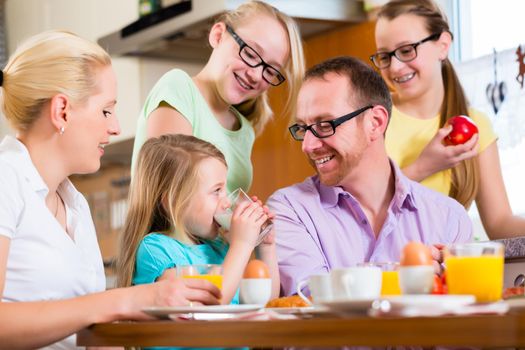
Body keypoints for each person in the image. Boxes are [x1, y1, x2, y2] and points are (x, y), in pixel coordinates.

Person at [0, 30, 221, 350]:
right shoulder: (6, 178)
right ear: (62, 110)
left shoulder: (73, 203)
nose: (116, 127)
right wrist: (126, 300)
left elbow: (88, 330)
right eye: (106, 110)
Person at [267, 56, 472, 296]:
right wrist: (409, 281)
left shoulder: (450, 219)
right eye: (303, 129)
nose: (308, 145)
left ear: (375, 122)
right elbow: (312, 301)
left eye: (325, 125)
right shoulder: (288, 211)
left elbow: (464, 321)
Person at [372, 0, 525, 239]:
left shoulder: (476, 125)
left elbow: (500, 223)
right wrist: (423, 166)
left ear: (443, 45)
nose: (395, 67)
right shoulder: (372, 119)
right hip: (388, 271)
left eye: (406, 50)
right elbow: (357, 211)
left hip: (450, 271)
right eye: (384, 56)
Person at [131, 0, 305, 193]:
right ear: (218, 35)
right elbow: (170, 193)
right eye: (250, 54)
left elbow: (221, 209)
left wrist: (245, 215)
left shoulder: (245, 132)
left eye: (270, 70)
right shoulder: (178, 87)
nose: (256, 75)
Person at [117, 134, 279, 305]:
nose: (226, 202)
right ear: (174, 201)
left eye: (225, 189)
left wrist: (265, 247)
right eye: (216, 190)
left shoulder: (220, 247)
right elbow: (207, 305)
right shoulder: (157, 249)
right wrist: (242, 245)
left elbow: (267, 303)